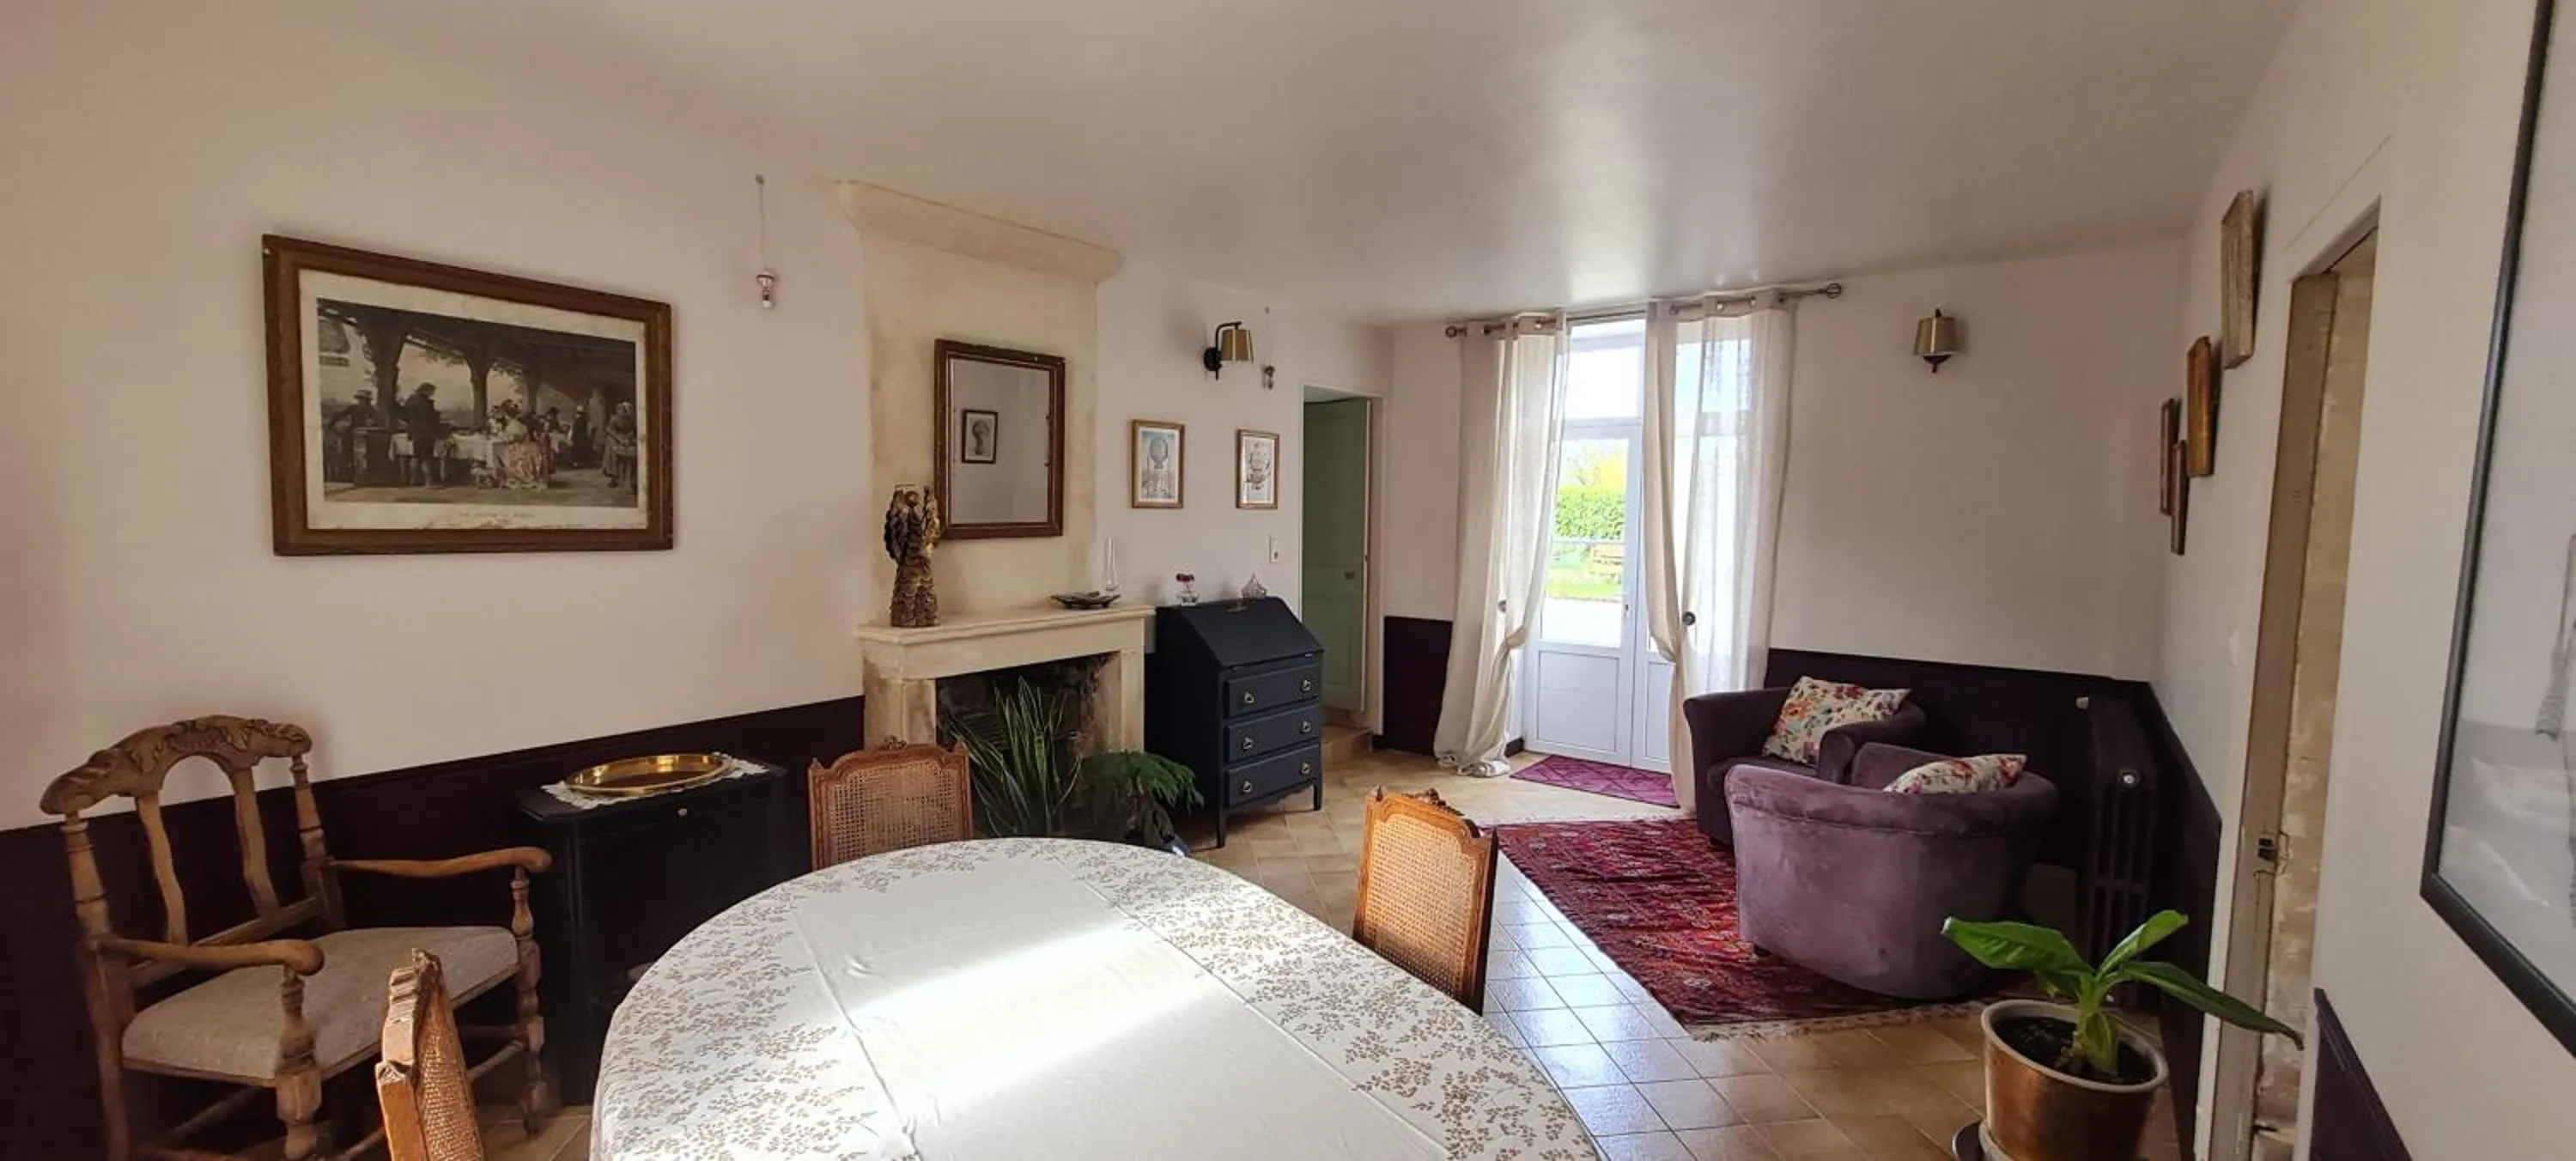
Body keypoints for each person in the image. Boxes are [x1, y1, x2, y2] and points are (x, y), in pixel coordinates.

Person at [400, 383, 446, 487]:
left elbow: (405, 416)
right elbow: (428, 419)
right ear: (426, 390)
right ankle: (429, 482)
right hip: (426, 432)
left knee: (416, 456)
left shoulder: (411, 400)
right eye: (431, 391)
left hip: (415, 432)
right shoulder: (425, 402)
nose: (432, 394)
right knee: (427, 457)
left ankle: (413, 480)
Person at [601, 400, 639, 492]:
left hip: (625, 440)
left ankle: (626, 479)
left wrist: (627, 438)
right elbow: (609, 430)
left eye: (628, 410)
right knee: (613, 459)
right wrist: (619, 438)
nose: (625, 411)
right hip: (613, 440)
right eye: (624, 409)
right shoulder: (614, 418)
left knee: (628, 457)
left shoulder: (631, 420)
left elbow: (632, 431)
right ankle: (614, 478)